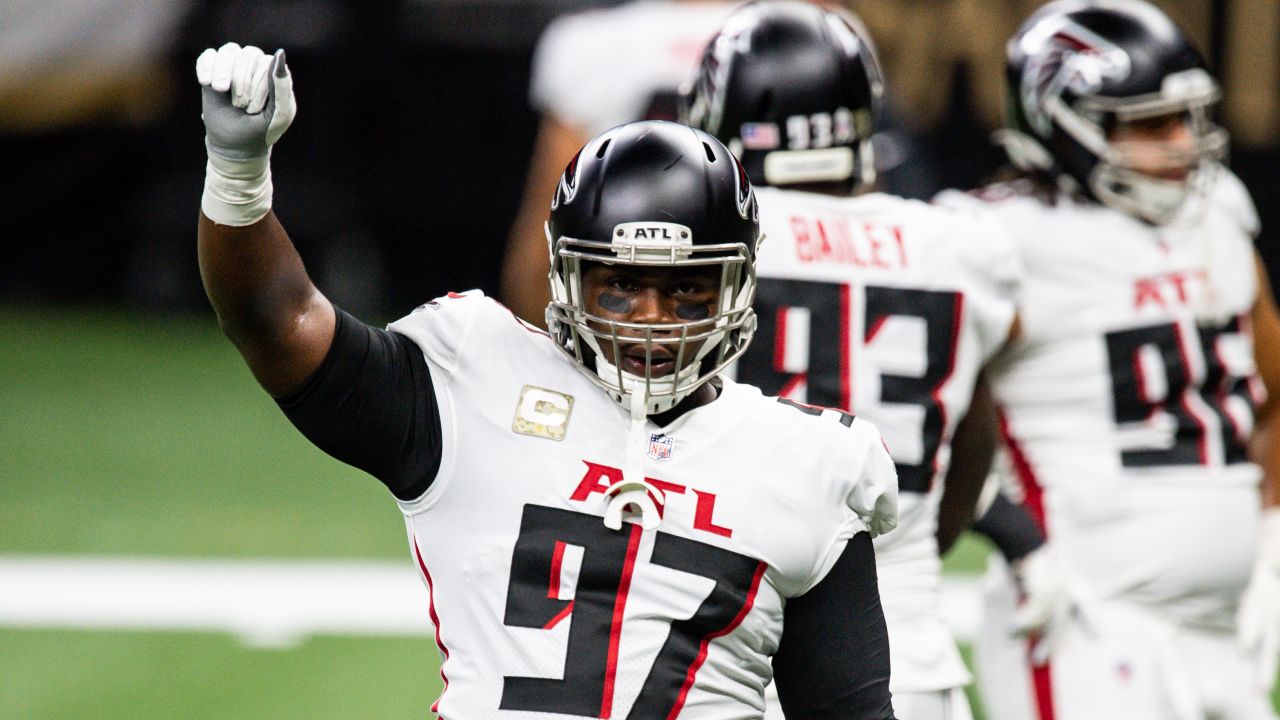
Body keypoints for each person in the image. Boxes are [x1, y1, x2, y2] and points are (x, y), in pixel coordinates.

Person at [194, 41, 903, 718]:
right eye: (619, 286)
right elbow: (277, 320)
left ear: (737, 287)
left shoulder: (808, 463)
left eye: (687, 289)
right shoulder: (472, 375)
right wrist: (236, 173)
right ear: (568, 277)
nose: (651, 319)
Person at [937, 1, 1280, 718]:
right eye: (1153, 124)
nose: (1184, 143)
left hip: (1224, 627)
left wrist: (1271, 541)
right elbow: (914, 403)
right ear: (1064, 127)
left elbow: (1274, 395)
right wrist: (1015, 533)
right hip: (1088, 618)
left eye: (1188, 118)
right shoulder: (1001, 238)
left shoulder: (1219, 212)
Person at [684, 2, 1023, 718]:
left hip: (737, 640)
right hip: (910, 652)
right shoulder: (960, 245)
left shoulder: (716, 241)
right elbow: (973, 446)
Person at [501, 0, 739, 327]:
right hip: (752, 318)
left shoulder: (591, 43)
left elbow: (542, 249)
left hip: (623, 319)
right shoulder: (812, 31)